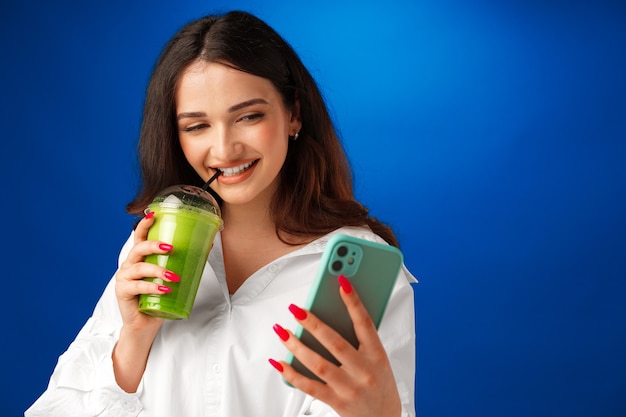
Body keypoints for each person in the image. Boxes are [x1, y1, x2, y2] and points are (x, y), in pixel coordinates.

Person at [26, 10, 417, 417]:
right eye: (197, 126)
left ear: (293, 114)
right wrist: (134, 343)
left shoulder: (356, 273)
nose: (224, 149)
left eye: (248, 116)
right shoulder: (157, 246)